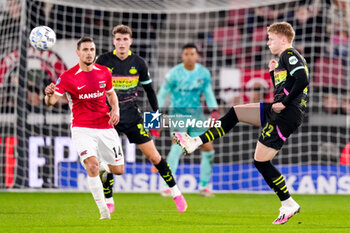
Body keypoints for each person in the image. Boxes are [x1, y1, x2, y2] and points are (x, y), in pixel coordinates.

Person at [174, 22, 309, 224]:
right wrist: (274, 75)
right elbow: (285, 87)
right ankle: (195, 141)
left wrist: (284, 103)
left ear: (283, 39)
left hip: (286, 113)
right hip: (281, 110)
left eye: (270, 38)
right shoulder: (282, 59)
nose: (267, 42)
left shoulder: (289, 54)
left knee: (261, 161)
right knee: (236, 114)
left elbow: (303, 79)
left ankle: (289, 203)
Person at [95, 24, 187, 213]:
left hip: (132, 117)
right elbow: (94, 87)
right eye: (118, 39)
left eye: (125, 39)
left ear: (131, 41)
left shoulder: (139, 63)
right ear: (114, 41)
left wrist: (156, 116)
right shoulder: (103, 60)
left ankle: (176, 192)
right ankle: (109, 199)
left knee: (154, 156)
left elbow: (150, 91)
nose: (122, 43)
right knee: (109, 160)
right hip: (109, 118)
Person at [44, 36, 125, 220]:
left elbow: (111, 95)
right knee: (93, 166)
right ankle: (103, 211)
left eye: (92, 50)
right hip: (82, 128)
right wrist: (48, 95)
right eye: (86, 50)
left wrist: (116, 109)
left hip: (105, 126)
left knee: (119, 169)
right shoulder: (67, 76)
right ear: (78, 53)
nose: (89, 53)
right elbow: (51, 102)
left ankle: (105, 167)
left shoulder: (104, 72)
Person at [157, 43, 219, 197]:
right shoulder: (174, 74)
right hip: (178, 113)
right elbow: (163, 93)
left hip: (196, 114)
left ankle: (203, 186)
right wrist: (155, 113)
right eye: (187, 54)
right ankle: (168, 186)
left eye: (192, 54)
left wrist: (214, 109)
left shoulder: (204, 73)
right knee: (178, 146)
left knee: (208, 148)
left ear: (197, 56)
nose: (190, 56)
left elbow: (208, 91)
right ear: (182, 56)